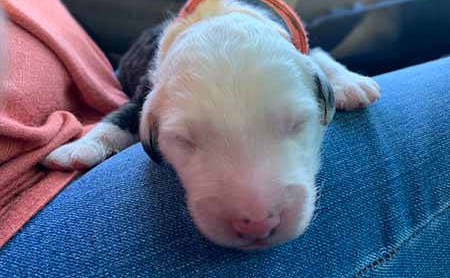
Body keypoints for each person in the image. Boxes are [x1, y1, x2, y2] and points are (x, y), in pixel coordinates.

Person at [1, 53, 449, 277]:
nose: (256, 217)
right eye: (186, 139)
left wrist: (330, 70)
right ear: (152, 133)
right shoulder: (157, 98)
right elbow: (137, 112)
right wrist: (101, 141)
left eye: (294, 123)